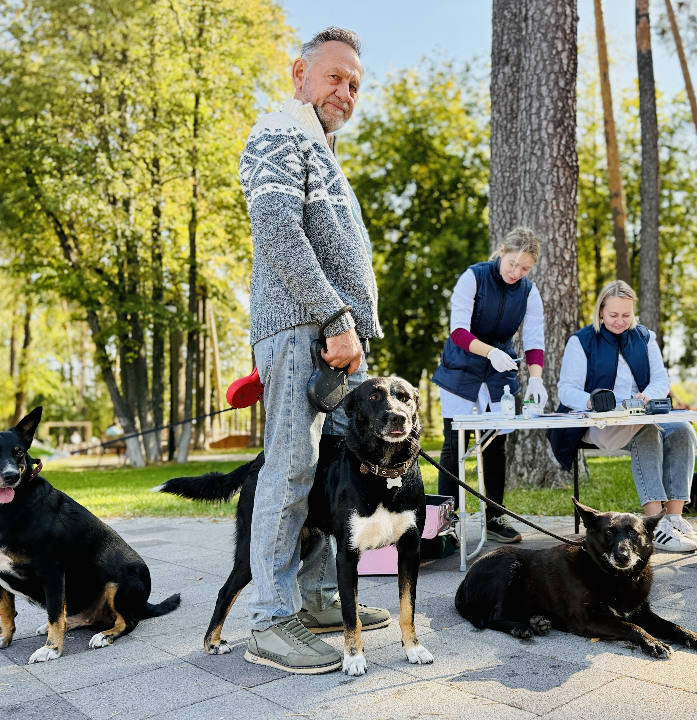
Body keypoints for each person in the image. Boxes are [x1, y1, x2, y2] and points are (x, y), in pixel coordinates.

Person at [237, 27, 389, 674]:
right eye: (335, 77)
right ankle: (270, 621)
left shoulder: (321, 150)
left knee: (331, 472)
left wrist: (346, 328)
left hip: (332, 337)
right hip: (304, 329)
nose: (346, 92)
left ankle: (320, 597)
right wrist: (333, 316)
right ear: (300, 74)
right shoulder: (278, 130)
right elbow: (277, 230)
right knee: (291, 469)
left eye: (354, 85)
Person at [552, 280, 697, 553]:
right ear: (600, 312)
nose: (620, 321)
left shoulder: (645, 337)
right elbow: (566, 390)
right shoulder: (581, 341)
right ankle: (654, 527)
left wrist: (646, 396)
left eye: (626, 314)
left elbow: (661, 380)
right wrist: (591, 400)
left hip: (639, 413)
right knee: (647, 431)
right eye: (613, 315)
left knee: (683, 429)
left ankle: (674, 520)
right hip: (599, 423)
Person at [431, 228, 548, 543]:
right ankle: (445, 522)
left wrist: (536, 378)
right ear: (501, 252)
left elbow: (534, 340)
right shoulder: (474, 277)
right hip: (461, 369)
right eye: (512, 264)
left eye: (525, 268)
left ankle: (495, 517)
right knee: (455, 445)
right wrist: (491, 352)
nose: (516, 272)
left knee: (495, 446)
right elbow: (458, 331)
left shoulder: (529, 292)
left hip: (499, 375)